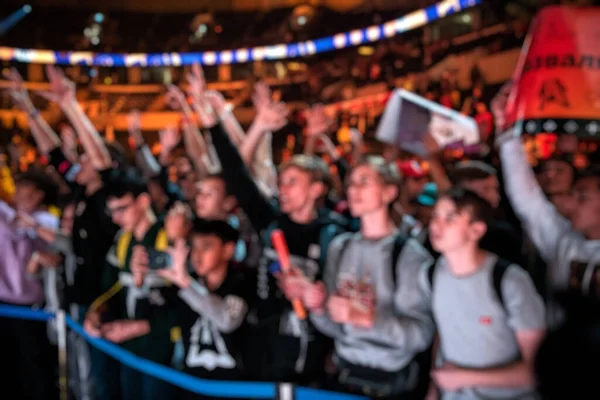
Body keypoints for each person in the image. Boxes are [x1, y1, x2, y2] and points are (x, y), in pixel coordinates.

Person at [203, 91, 346, 383]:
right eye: (281, 182)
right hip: (261, 350)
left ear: (317, 189)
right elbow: (237, 175)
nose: (283, 188)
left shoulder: (334, 234)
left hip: (309, 359)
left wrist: (315, 296)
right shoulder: (271, 222)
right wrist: (213, 125)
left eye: (292, 182)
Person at [298, 156, 434, 399]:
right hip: (344, 376)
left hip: (392, 382)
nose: (353, 190)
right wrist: (318, 308)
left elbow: (421, 334)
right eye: (351, 183)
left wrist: (367, 318)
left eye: (364, 181)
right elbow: (335, 326)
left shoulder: (409, 256)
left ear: (389, 192)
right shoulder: (341, 247)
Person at [425, 188, 546, 400]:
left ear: (476, 231)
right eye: (435, 216)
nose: (436, 225)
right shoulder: (433, 274)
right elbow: (443, 333)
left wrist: (463, 377)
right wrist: (435, 388)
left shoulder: (509, 281)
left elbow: (536, 372)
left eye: (450, 218)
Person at [83, 170, 176, 400]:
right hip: (128, 347)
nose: (115, 218)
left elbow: (183, 297)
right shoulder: (123, 240)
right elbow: (111, 287)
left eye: (121, 209)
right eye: (111, 211)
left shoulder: (168, 236)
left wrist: (141, 326)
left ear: (143, 201)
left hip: (163, 349)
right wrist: (96, 312)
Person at [158, 219, 253, 399]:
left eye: (206, 247)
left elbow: (228, 320)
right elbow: (159, 316)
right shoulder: (184, 283)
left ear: (228, 250)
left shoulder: (242, 283)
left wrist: (186, 285)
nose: (197, 255)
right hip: (191, 384)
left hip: (234, 388)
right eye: (194, 247)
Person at [0, 169, 60, 400]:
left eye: (24, 187)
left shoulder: (47, 222)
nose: (17, 191)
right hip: (4, 305)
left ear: (38, 194)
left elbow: (16, 230)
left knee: (34, 369)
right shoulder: (13, 216)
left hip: (31, 309)